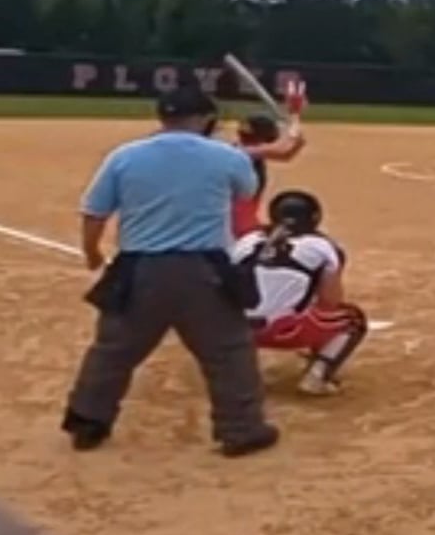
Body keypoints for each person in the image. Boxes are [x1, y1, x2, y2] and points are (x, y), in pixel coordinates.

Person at [59, 86, 281, 458]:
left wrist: (92, 252)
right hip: (203, 267)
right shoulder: (227, 156)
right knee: (229, 350)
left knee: (113, 351)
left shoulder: (124, 156)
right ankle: (241, 430)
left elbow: (95, 212)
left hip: (138, 267)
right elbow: (246, 191)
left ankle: (88, 424)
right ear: (206, 119)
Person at [230, 189, 369, 397]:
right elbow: (330, 301)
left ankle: (235, 375)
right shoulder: (322, 246)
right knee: (352, 319)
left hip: (235, 330)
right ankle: (317, 376)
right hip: (285, 331)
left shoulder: (246, 241)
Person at [230, 112, 306, 238]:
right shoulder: (244, 152)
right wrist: (295, 116)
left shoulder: (237, 149)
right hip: (238, 223)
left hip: (241, 217)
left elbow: (288, 151)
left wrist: (296, 132)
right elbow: (285, 151)